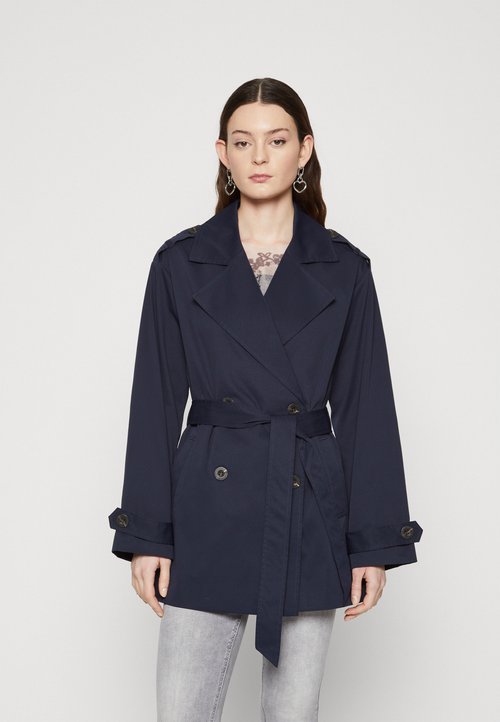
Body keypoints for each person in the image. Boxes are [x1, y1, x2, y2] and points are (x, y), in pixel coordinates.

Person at [108, 77, 423, 721]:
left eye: (276, 141)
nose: (259, 156)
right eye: (243, 141)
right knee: (181, 710)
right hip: (207, 505)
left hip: (305, 503)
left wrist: (372, 543)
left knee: (293, 712)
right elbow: (154, 402)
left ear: (303, 150)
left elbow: (367, 408)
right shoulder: (180, 263)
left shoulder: (345, 268)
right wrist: (147, 535)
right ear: (221, 153)